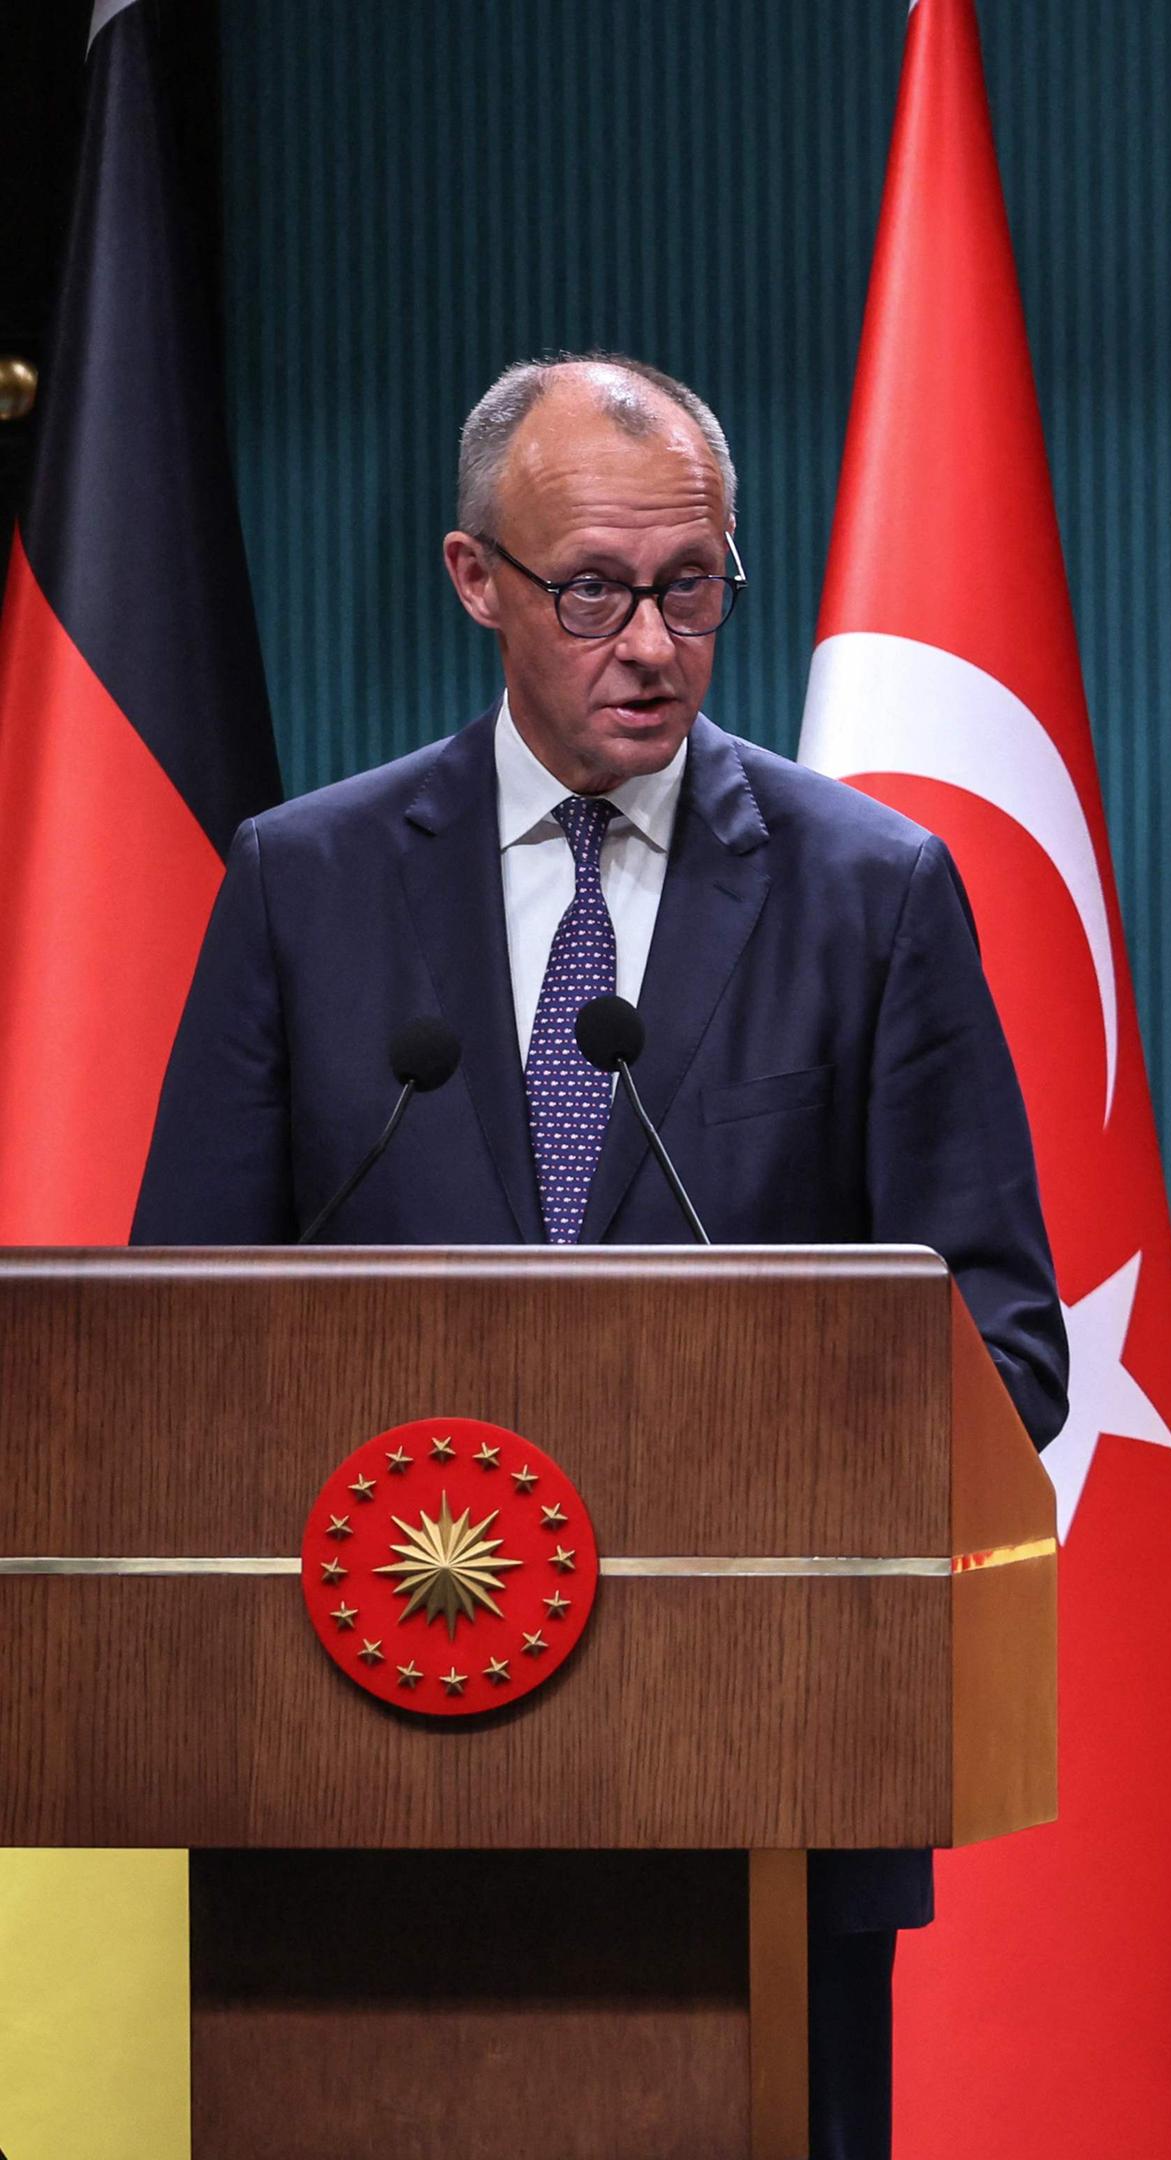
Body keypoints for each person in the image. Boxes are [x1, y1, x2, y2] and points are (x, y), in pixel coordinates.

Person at [132, 352, 1066, 2160]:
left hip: (767, 1796)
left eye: (693, 585)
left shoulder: (872, 893)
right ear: (476, 579)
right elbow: (183, 1344)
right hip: (361, 1798)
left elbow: (999, 1350)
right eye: (594, 593)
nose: (651, 644)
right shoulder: (303, 888)